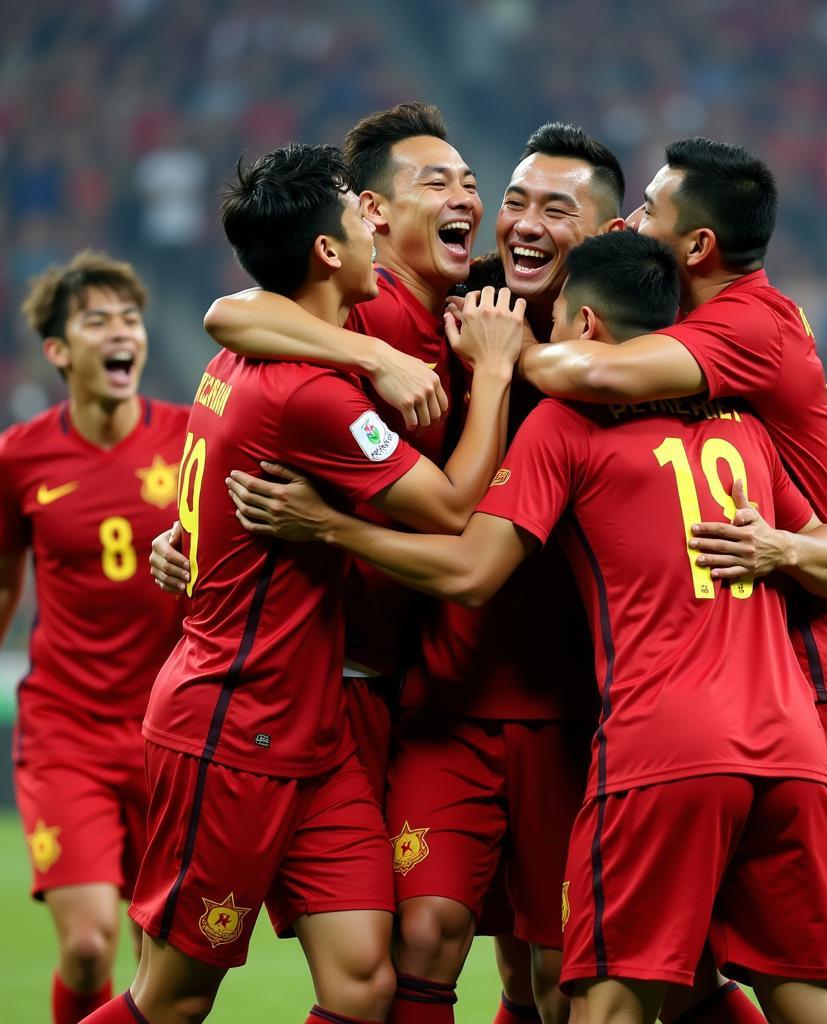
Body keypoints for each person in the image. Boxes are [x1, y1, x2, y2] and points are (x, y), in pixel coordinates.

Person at [227, 230, 827, 1024]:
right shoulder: (741, 421)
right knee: (810, 996)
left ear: (586, 327)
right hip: (791, 748)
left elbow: (469, 572)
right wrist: (778, 549)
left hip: (665, 745)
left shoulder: (568, 425)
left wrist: (331, 527)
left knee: (601, 1001)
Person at [85, 142, 523, 1024]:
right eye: (362, 216)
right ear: (329, 249)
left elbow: (233, 319)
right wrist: (497, 373)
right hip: (233, 720)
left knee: (365, 981)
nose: (373, 226)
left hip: (313, 727)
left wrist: (190, 540)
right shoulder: (311, 391)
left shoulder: (262, 359)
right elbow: (446, 508)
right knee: (171, 999)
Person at [202, 122, 627, 1024]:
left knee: (549, 977)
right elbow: (235, 313)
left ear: (613, 232)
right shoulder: (440, 308)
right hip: (436, 693)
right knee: (420, 939)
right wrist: (377, 355)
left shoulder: (624, 343)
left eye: (556, 209)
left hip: (574, 701)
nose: (514, 221)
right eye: (512, 200)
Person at [517, 138, 827, 940]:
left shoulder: (740, 323)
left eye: (648, 211)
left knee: (795, 963)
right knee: (695, 962)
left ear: (698, 246)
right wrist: (815, 542)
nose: (627, 220)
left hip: (814, 667)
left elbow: (591, 373)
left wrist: (505, 354)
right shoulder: (726, 332)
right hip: (763, 670)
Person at [201, 101, 481, 803]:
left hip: (422, 668)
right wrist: (372, 353)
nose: (464, 199)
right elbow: (229, 314)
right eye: (436, 183)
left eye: (471, 183)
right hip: (336, 669)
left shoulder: (475, 303)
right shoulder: (371, 303)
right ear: (372, 213)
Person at [0, 251, 188, 1024]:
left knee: (156, 965)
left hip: (169, 728)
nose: (121, 333)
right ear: (58, 350)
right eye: (97, 320)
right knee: (87, 945)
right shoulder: (19, 456)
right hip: (65, 729)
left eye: (130, 319)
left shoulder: (188, 438)